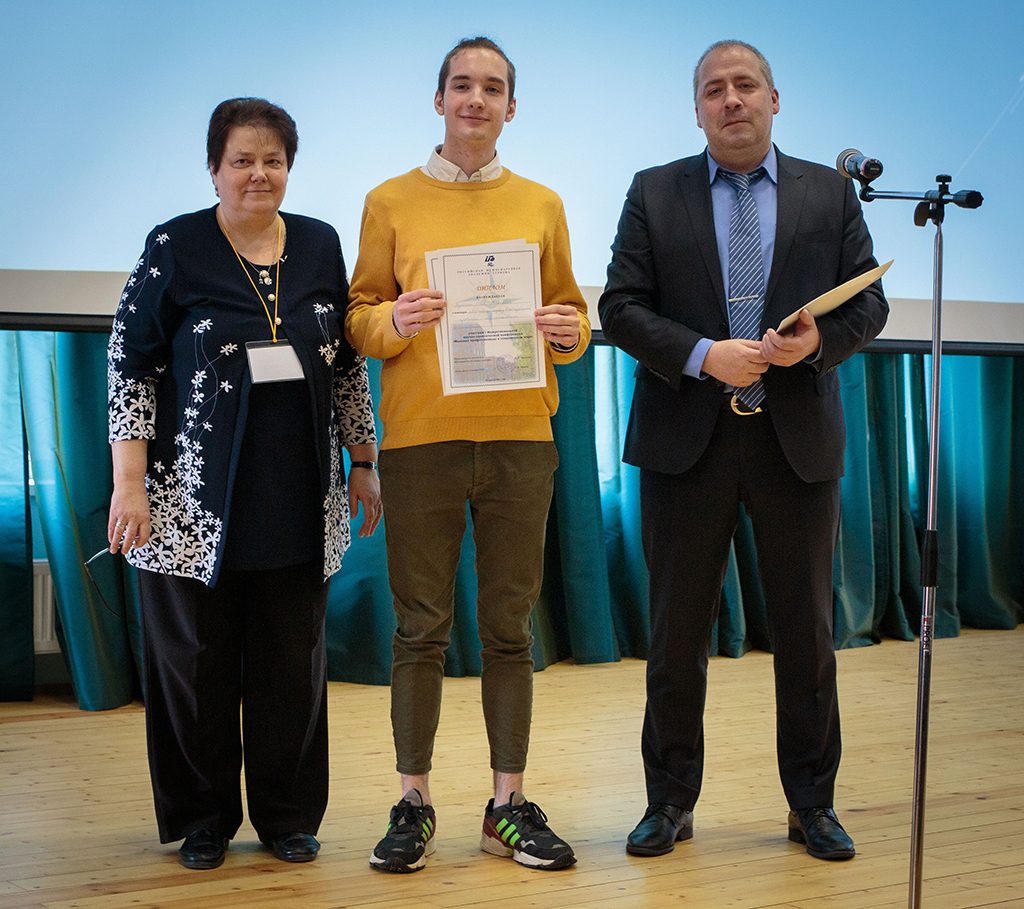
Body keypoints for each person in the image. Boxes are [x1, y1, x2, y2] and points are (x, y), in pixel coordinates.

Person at [599, 40, 888, 861]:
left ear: (773, 98)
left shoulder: (829, 193)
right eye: (714, 89)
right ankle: (668, 801)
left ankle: (813, 804)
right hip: (684, 442)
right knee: (675, 636)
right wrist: (704, 355)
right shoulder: (654, 191)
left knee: (807, 635)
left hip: (795, 442)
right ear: (697, 109)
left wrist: (815, 344)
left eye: (746, 85)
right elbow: (621, 307)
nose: (731, 99)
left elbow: (869, 303)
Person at [106, 97, 381, 871]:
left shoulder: (321, 244)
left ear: (289, 167)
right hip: (188, 502)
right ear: (214, 168)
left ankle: (287, 816)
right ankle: (203, 820)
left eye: (273, 160)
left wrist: (364, 459)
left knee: (290, 665)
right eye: (242, 160)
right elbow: (130, 364)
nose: (259, 174)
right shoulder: (176, 245)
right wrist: (129, 482)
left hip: (297, 496)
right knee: (195, 666)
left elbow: (348, 364)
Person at [346, 36, 589, 873]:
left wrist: (567, 331)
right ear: (439, 99)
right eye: (461, 85)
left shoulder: (542, 204)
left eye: (492, 88)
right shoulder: (388, 201)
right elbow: (358, 317)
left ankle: (506, 805)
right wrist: (394, 320)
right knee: (420, 628)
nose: (475, 99)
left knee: (510, 630)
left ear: (511, 107)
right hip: (421, 441)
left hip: (522, 441)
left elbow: (573, 321)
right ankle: (412, 802)